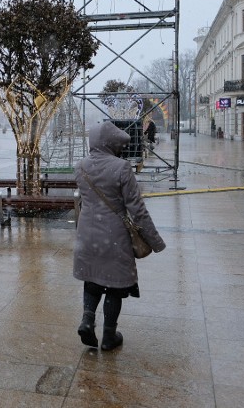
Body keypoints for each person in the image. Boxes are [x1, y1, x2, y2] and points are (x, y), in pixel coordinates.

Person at [73, 121, 166, 351]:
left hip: (87, 232)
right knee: (114, 285)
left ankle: (87, 320)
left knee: (92, 278)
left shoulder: (81, 166)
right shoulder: (122, 168)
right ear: (113, 144)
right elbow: (137, 210)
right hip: (113, 234)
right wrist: (155, 241)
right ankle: (108, 336)